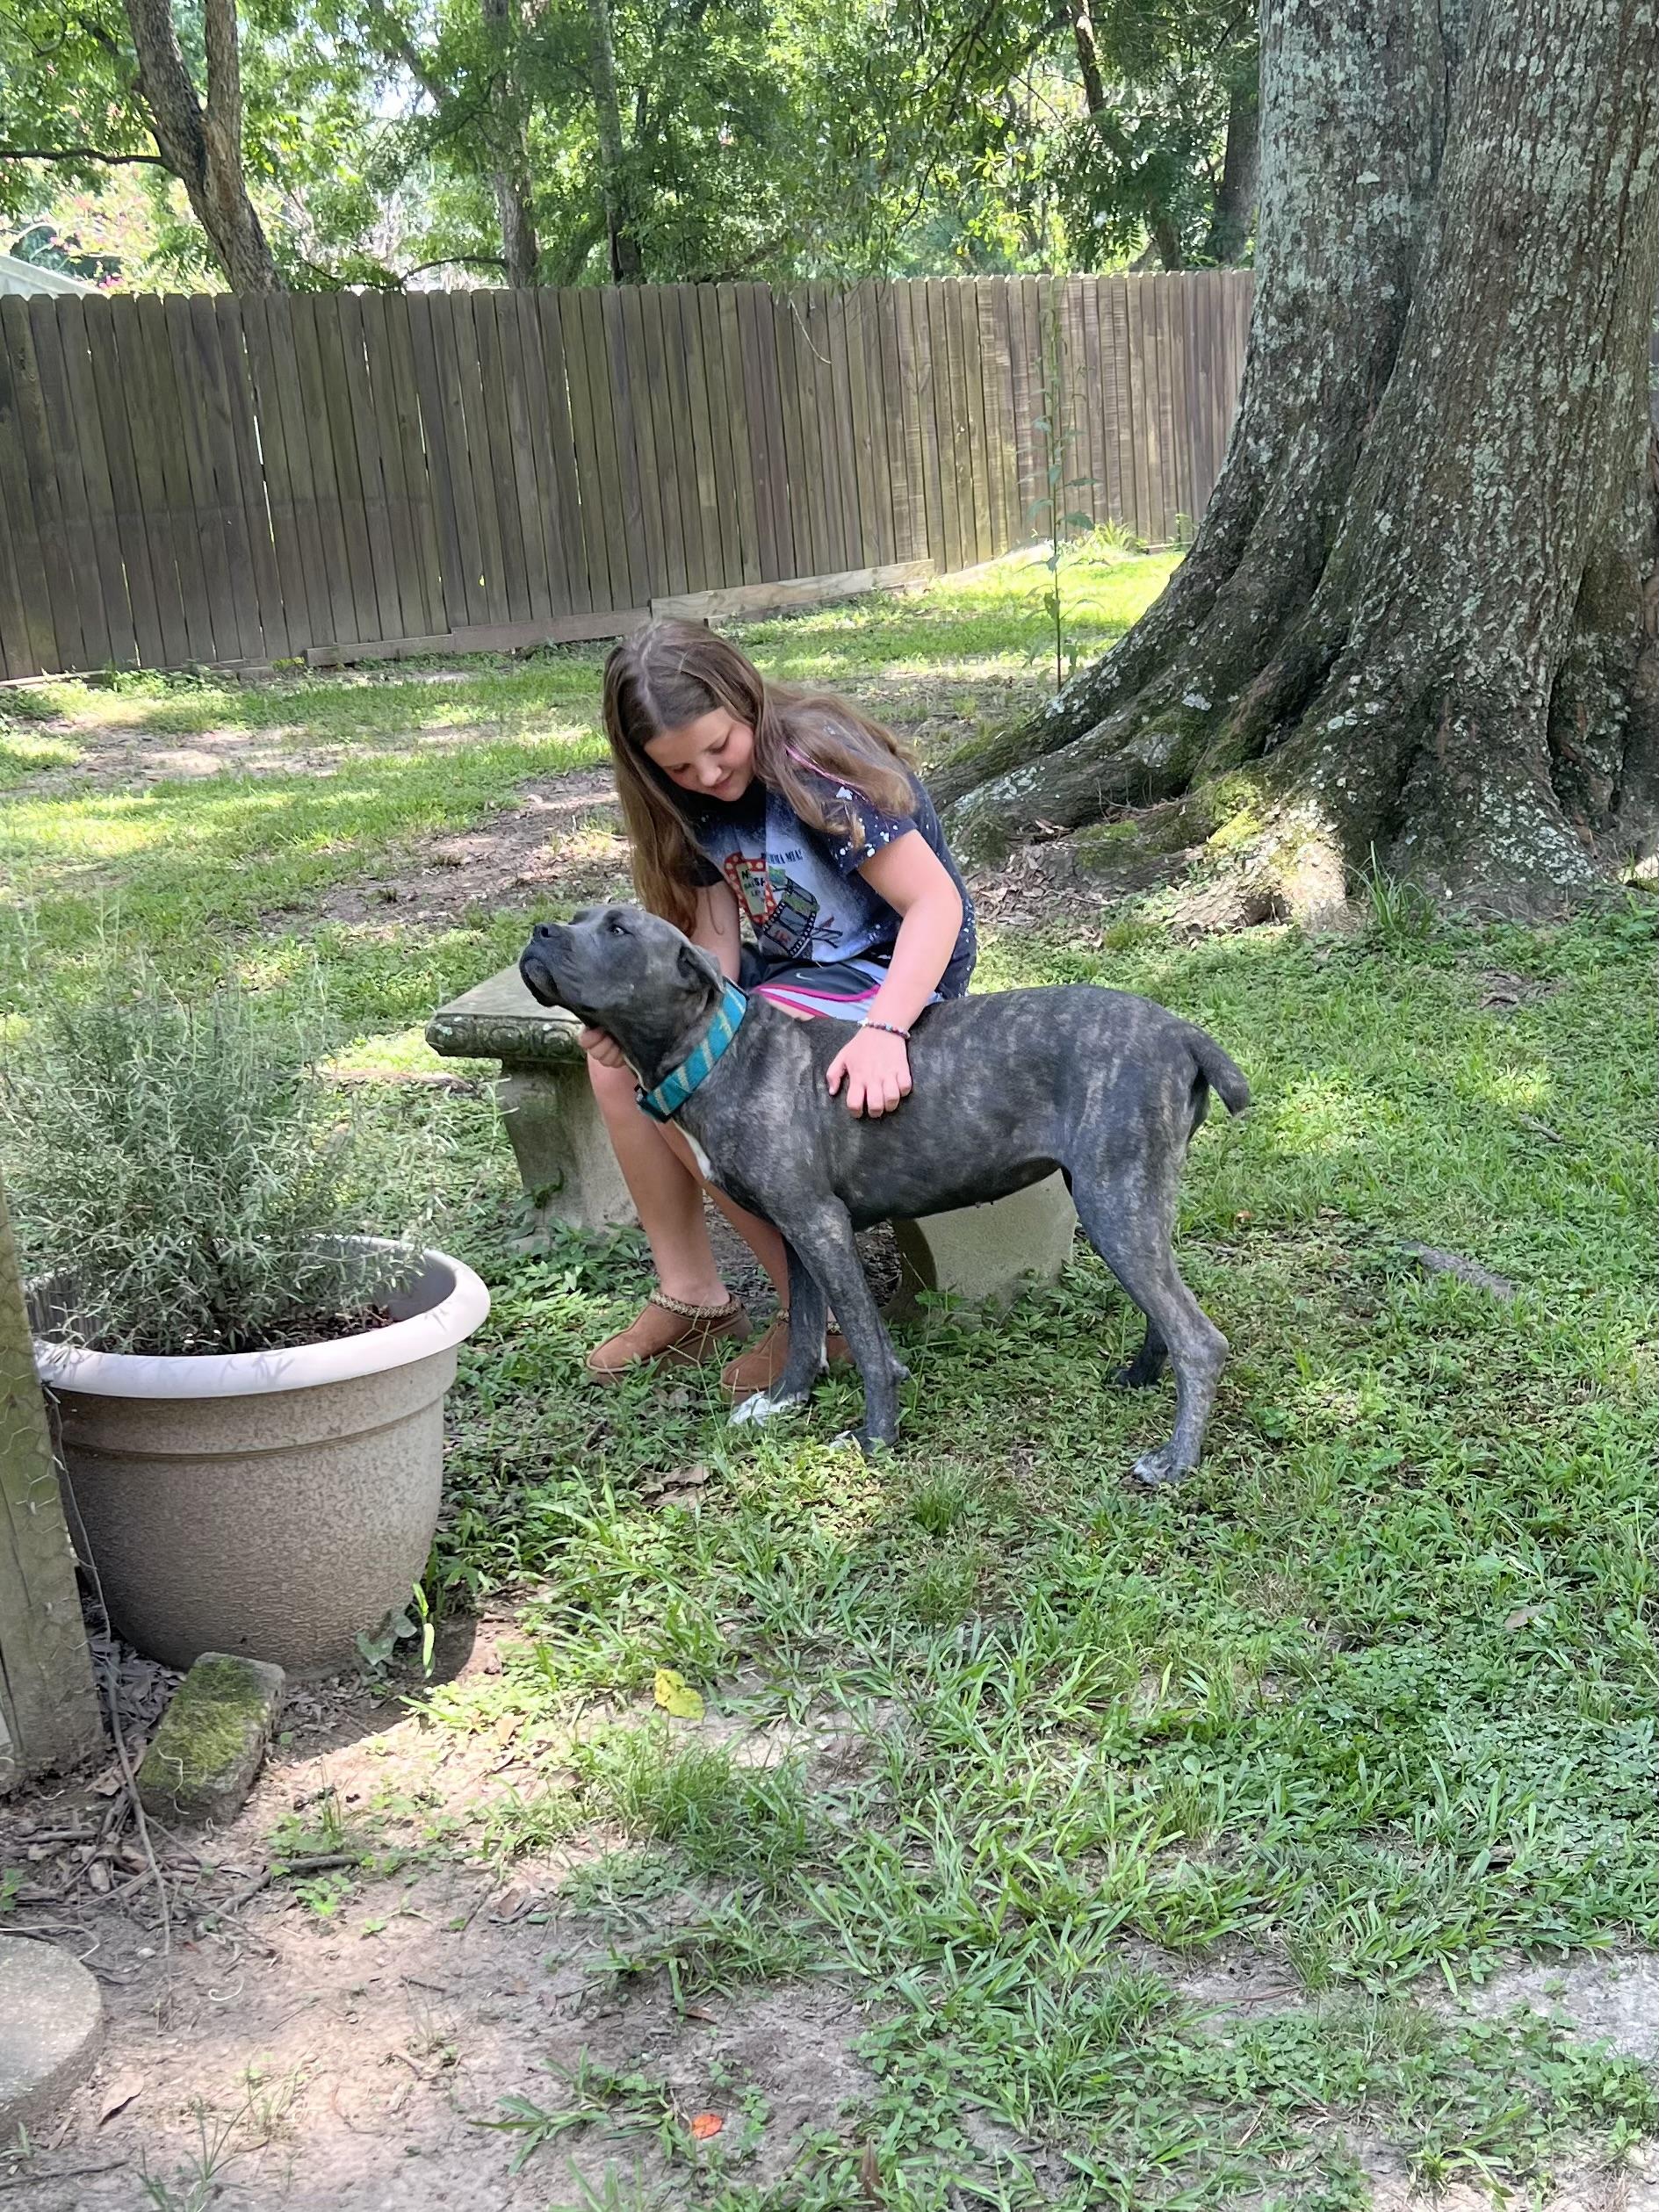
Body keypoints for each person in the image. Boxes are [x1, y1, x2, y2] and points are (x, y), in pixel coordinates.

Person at [581, 617, 977, 1400]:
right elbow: (716, 941)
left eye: (718, 747)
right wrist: (653, 1026)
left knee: (701, 1084)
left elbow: (935, 907)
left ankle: (815, 1311)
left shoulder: (815, 759)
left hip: (891, 968)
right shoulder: (681, 796)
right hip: (793, 973)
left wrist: (885, 1030)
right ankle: (692, 1294)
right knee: (629, 1073)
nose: (706, 774)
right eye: (679, 766)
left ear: (745, 698)